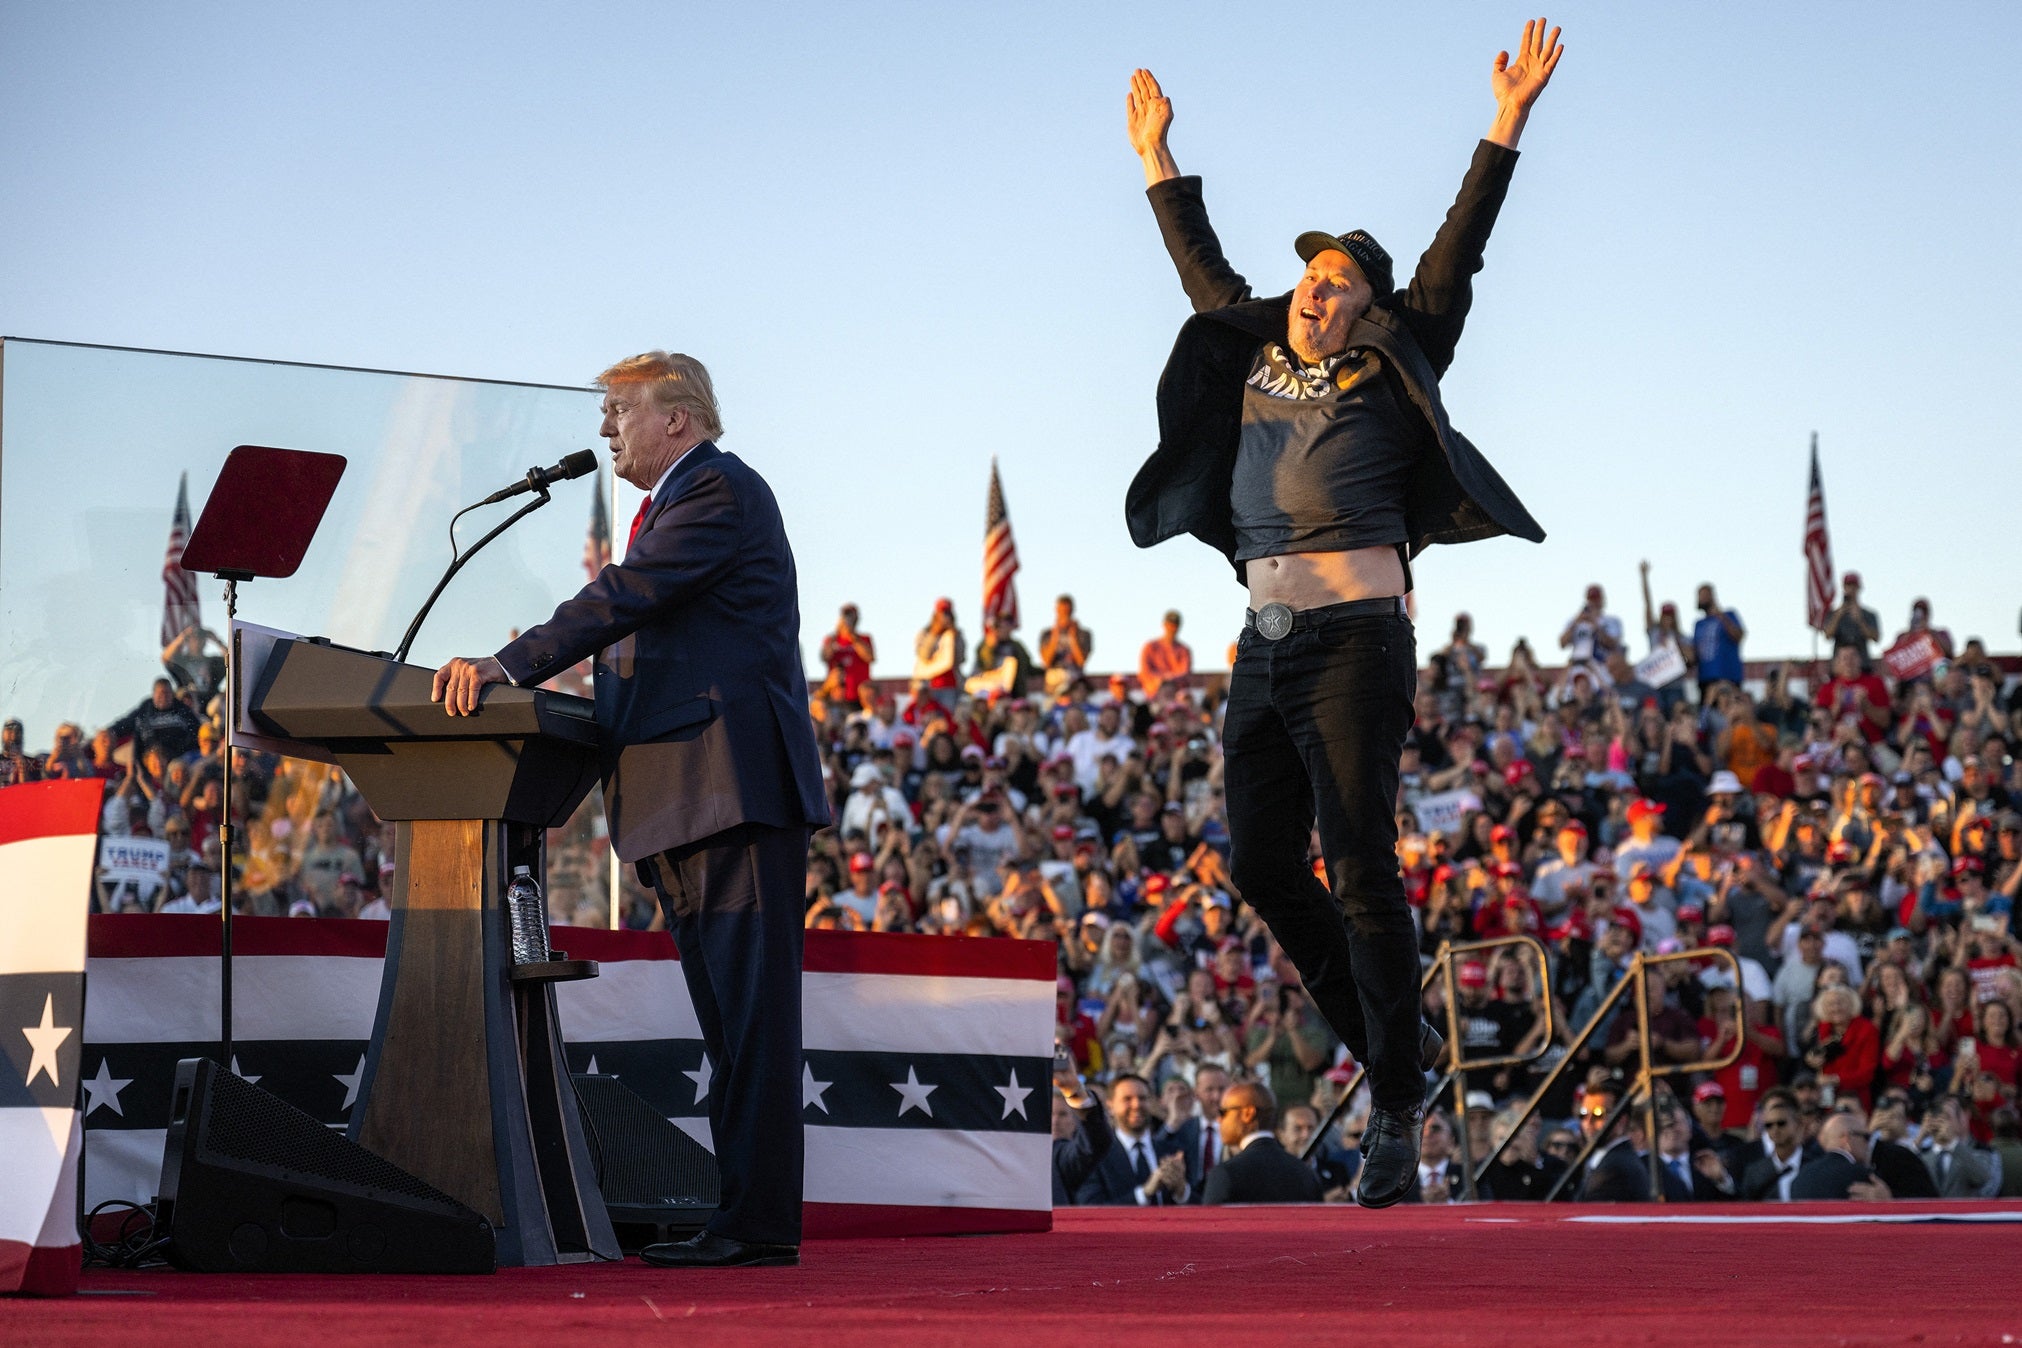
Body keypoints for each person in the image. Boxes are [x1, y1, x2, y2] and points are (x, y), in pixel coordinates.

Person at [1120, 18, 1564, 1209]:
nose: (1319, 291)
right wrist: (1159, 160)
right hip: (1262, 648)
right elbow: (1201, 272)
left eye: (1342, 283)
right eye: (1312, 276)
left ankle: (1394, 1115)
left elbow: (1459, 251)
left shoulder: (1397, 351)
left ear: (1368, 306)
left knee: (1361, 864)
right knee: (1262, 860)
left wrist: (1506, 122)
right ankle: (1393, 1057)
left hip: (1358, 640)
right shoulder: (1258, 341)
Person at [431, 350, 828, 1268]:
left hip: (730, 790)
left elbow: (626, 597)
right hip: (687, 795)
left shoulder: (718, 493)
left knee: (752, 1021)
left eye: (620, 409)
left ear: (677, 418)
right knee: (729, 1026)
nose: (606, 427)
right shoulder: (678, 502)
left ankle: (757, 1226)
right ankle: (743, 1216)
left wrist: (508, 664)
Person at [1076, 1074, 1190, 1205]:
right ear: (1110, 1106)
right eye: (1127, 1099)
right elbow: (1091, 1209)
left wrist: (1182, 1191)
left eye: (1142, 1098)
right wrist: (1144, 1193)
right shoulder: (1095, 1157)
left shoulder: (1173, 1151)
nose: (1136, 1105)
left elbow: (1202, 1204)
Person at [1202, 1081, 1322, 1204]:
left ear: (1248, 1114)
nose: (1219, 1119)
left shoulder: (1225, 1174)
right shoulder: (1306, 1174)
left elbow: (1211, 1223)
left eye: (1223, 1113)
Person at [1790, 1110, 1892, 1200]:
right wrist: (1885, 1202)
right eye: (1865, 1137)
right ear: (1846, 1138)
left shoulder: (1801, 1177)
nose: (1868, 1144)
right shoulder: (1863, 1176)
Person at [1691, 584, 1745, 698]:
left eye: (1703, 595)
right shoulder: (1698, 624)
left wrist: (1720, 615)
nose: (1700, 599)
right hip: (1705, 679)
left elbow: (1738, 636)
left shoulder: (1729, 615)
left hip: (1728, 677)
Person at [818, 604, 876, 707]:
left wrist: (852, 635)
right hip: (837, 696)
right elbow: (824, 656)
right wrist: (837, 631)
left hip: (858, 698)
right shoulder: (831, 640)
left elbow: (869, 657)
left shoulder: (864, 639)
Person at [1824, 571, 1882, 667]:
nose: (1851, 589)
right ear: (1844, 588)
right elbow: (1827, 635)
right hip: (1840, 665)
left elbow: (1875, 637)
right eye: (1848, 586)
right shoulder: (1833, 614)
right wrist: (1838, 616)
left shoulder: (1869, 614)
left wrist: (1860, 621)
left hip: (1862, 663)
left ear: (1859, 588)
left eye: (1854, 586)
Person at [1138, 609, 1193, 700]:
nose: (1172, 629)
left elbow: (1185, 674)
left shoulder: (1184, 650)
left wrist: (1170, 679)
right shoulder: (1150, 647)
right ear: (1164, 625)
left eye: (1175, 625)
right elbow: (1145, 673)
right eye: (1170, 625)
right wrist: (1162, 679)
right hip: (1154, 696)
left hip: (1177, 697)